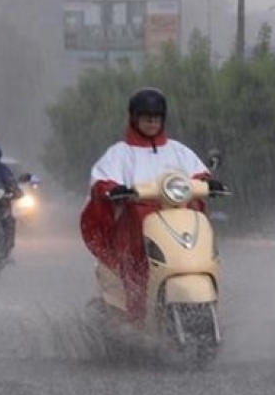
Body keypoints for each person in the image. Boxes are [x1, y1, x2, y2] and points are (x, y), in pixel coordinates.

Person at [80, 87, 228, 323]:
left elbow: (199, 174)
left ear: (163, 119)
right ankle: (136, 312)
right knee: (136, 261)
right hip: (136, 226)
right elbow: (101, 180)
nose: (151, 122)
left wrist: (209, 183)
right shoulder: (120, 154)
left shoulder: (178, 151)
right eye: (146, 117)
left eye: (156, 117)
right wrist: (110, 189)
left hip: (177, 220)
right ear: (134, 118)